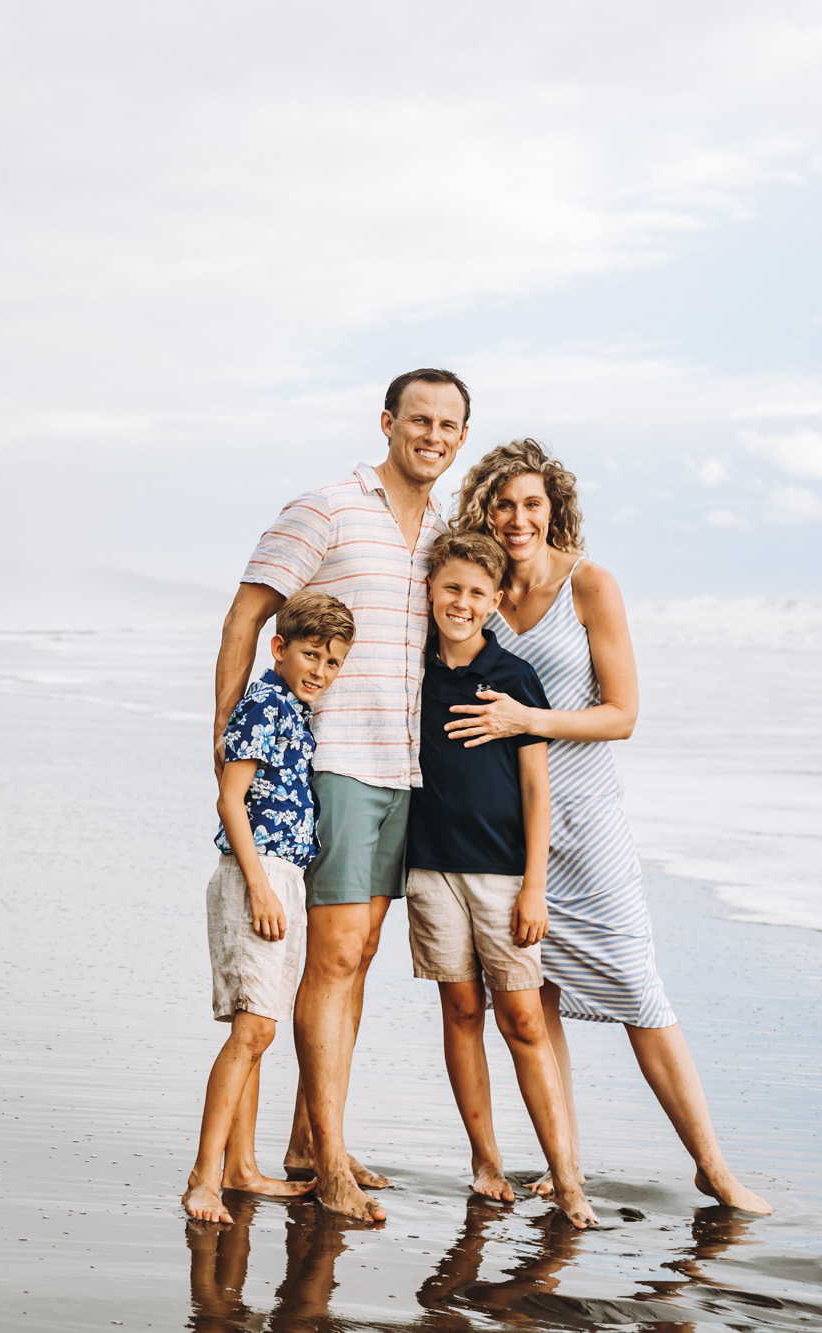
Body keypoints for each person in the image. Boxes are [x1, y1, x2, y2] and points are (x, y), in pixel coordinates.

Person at [444, 438, 771, 1213]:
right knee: (535, 999)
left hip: (586, 826)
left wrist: (529, 719)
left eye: (532, 503)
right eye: (503, 503)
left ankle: (713, 1165)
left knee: (638, 987)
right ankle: (566, 1165)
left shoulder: (589, 585)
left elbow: (622, 714)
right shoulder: (479, 591)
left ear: (553, 507)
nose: (517, 518)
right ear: (484, 510)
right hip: (504, 831)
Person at [213, 368, 471, 1221]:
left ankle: (310, 1138)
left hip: (404, 769)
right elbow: (247, 615)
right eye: (420, 419)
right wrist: (226, 739)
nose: (433, 436)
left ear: (461, 437)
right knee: (330, 959)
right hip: (334, 762)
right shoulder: (326, 507)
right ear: (388, 422)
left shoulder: (444, 532)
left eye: (449, 425)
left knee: (355, 960)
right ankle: (328, 1165)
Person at [404, 530, 595, 1227]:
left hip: (504, 877)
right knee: (460, 1012)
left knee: (522, 1019)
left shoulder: (513, 677)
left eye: (477, 593)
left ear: (494, 602)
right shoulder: (411, 670)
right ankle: (485, 1162)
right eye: (452, 588)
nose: (462, 602)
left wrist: (534, 886)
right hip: (430, 870)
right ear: (431, 589)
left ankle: (568, 1179)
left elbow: (538, 789)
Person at [184, 592, 355, 1224]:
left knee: (256, 1029)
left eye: (332, 662)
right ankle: (204, 1178)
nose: (320, 671)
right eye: (311, 655)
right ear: (279, 647)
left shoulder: (296, 710)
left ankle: (240, 1169)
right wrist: (259, 887)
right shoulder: (263, 703)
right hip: (254, 875)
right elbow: (230, 800)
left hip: (284, 876)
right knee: (253, 1029)